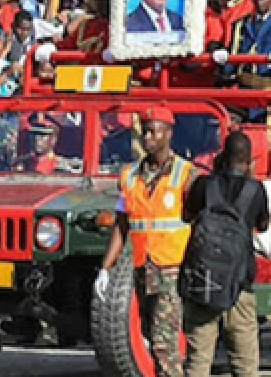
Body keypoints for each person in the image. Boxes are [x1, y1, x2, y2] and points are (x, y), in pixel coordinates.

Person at [97, 105, 197, 377]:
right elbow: (121, 224)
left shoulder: (186, 175)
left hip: (173, 271)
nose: (149, 138)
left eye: (156, 132)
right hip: (144, 271)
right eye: (146, 131)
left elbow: (199, 222)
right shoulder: (129, 176)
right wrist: (105, 268)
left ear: (169, 134)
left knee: (165, 343)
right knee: (153, 340)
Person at [181, 131, 270, 377]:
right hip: (239, 285)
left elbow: (187, 215)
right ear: (249, 160)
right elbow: (262, 225)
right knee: (244, 363)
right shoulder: (256, 190)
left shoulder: (204, 185)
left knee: (198, 359)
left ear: (222, 155)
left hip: (204, 283)